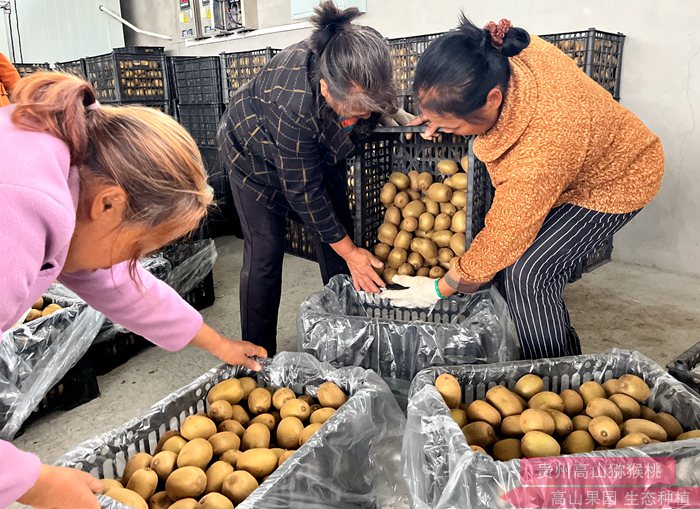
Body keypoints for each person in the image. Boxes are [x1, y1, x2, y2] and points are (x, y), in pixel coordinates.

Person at [0, 72, 267, 509]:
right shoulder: (14, 214)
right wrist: (34, 482)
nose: (130, 262)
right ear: (110, 204)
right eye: (138, 246)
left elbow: (117, 283)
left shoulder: (71, 172)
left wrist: (218, 344)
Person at [383, 17, 664, 360]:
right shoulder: (502, 52)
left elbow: (505, 234)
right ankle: (566, 352)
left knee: (529, 274)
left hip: (619, 176)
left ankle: (555, 371)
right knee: (513, 266)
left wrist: (441, 288)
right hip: (579, 158)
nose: (438, 130)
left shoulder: (539, 152)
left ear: (492, 99)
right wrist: (438, 114)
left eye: (449, 125)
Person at [218, 1, 412, 356]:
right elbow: (304, 191)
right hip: (252, 152)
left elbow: (373, 95)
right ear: (326, 91)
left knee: (338, 234)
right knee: (265, 251)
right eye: (357, 111)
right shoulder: (292, 103)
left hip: (320, 147)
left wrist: (395, 112)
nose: (365, 116)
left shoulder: (360, 57)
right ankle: (257, 356)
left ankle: (345, 334)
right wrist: (351, 252)